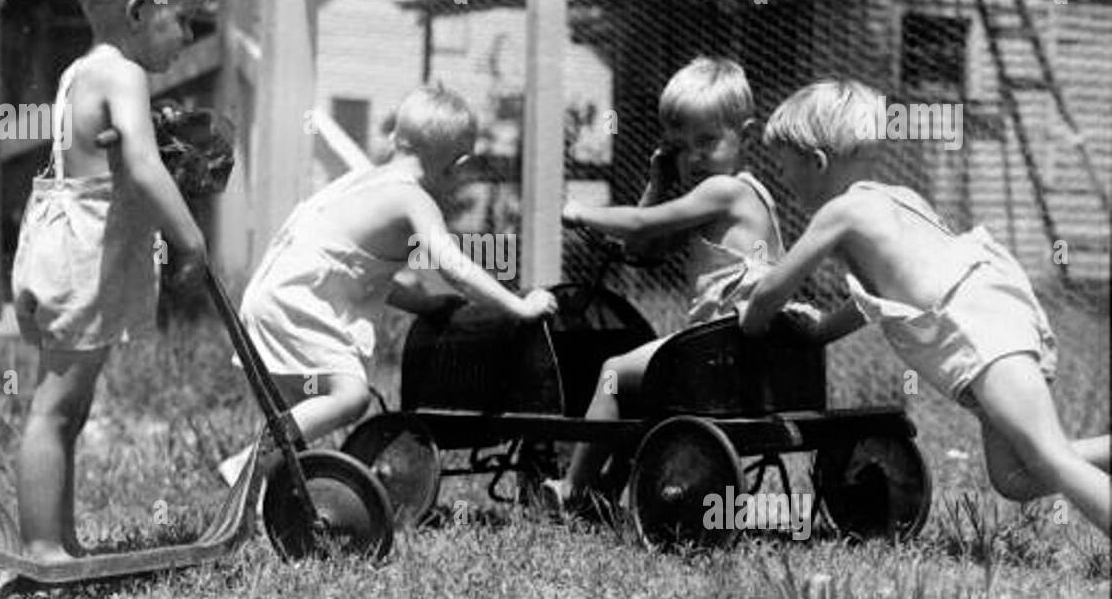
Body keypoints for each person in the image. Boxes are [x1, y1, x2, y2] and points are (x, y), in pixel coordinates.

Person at [740, 78, 1110, 533]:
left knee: (1048, 458)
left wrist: (750, 320)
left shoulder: (838, 215)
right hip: (994, 310)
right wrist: (819, 332)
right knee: (1015, 477)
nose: (782, 180)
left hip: (976, 327)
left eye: (783, 168)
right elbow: (882, 301)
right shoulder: (901, 197)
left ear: (816, 162)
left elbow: (772, 291)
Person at [217, 83, 559, 486]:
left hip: (272, 295)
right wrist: (519, 306)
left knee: (304, 408)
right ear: (458, 164)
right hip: (297, 303)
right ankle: (246, 465)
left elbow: (354, 271)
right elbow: (452, 264)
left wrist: (423, 305)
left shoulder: (362, 180)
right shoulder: (412, 199)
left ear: (397, 137)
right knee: (349, 396)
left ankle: (270, 497)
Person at [10, 0, 210, 572]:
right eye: (184, 21)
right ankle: (41, 545)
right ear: (140, 8)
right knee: (56, 408)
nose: (188, 37)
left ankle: (59, 542)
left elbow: (110, 156)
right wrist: (190, 240)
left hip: (58, 244)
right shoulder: (124, 75)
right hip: (80, 257)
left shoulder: (82, 72)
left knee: (67, 406)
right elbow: (146, 169)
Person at [543, 57, 785, 514]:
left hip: (718, 351)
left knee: (613, 371)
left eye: (707, 141)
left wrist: (579, 211)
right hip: (736, 350)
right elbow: (648, 249)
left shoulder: (723, 193)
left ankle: (573, 490)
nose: (693, 156)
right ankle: (609, 487)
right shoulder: (744, 195)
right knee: (640, 371)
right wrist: (659, 180)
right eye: (680, 146)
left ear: (746, 136)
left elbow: (639, 224)